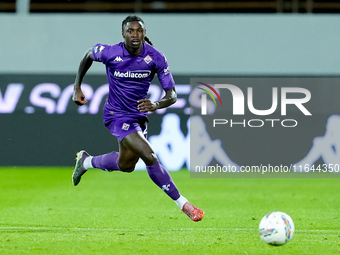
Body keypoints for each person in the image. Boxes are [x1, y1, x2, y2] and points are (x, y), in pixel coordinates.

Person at [71, 15, 204, 221]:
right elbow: (89, 54)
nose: (135, 34)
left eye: (139, 30)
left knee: (126, 165)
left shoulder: (156, 57)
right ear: (123, 33)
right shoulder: (110, 53)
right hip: (116, 115)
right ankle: (183, 204)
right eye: (130, 31)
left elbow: (172, 95)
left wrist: (156, 104)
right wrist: (77, 86)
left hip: (137, 117)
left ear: (144, 33)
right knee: (149, 156)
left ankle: (86, 162)